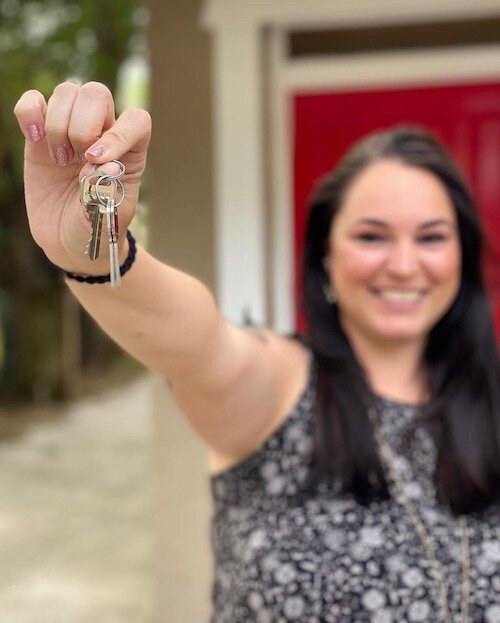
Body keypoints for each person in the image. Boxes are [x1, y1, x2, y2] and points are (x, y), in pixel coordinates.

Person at [14, 81, 500, 623]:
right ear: (326, 258)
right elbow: (197, 340)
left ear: (463, 254)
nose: (405, 264)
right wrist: (92, 252)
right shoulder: (278, 385)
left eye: (431, 237)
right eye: (372, 237)